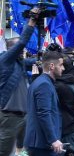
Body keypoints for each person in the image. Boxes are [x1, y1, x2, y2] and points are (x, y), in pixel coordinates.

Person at [0, 9, 37, 156]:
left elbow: (34, 62)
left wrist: (49, 57)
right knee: (4, 151)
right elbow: (22, 43)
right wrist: (32, 22)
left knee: (22, 148)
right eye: (20, 51)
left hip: (23, 115)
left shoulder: (19, 62)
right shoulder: (5, 61)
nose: (23, 52)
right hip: (9, 116)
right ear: (12, 50)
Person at [24, 51, 65, 156]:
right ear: (51, 66)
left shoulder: (41, 81)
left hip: (40, 142)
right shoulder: (44, 84)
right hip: (42, 144)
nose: (63, 68)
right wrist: (53, 139)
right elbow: (43, 113)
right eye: (60, 65)